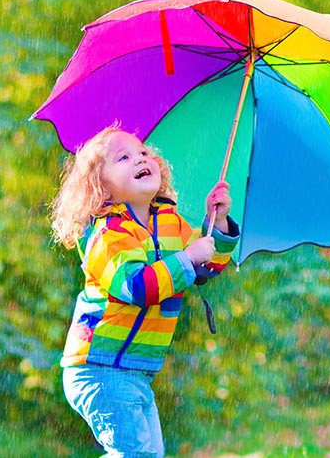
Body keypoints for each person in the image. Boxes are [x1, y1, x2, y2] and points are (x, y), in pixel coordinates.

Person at [50, 125, 239, 458]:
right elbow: (135, 286)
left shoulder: (170, 224)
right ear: (99, 186)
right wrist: (185, 258)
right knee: (137, 454)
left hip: (134, 368)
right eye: (123, 157)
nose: (140, 158)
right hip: (98, 365)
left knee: (148, 452)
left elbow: (205, 268)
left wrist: (218, 224)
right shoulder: (105, 235)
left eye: (143, 153)